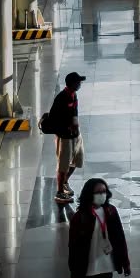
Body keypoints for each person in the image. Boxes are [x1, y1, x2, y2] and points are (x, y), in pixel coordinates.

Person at [49, 71, 86, 204]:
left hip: (75, 134)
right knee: (63, 164)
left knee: (77, 160)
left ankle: (65, 181)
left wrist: (75, 124)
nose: (80, 84)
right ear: (72, 84)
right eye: (78, 82)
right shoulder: (61, 98)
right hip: (64, 136)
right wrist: (66, 127)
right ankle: (60, 192)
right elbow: (53, 118)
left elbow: (74, 112)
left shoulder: (73, 95)